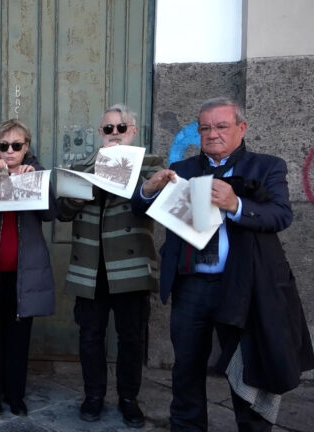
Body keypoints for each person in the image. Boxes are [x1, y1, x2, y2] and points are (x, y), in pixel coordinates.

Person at [132, 97, 314, 431]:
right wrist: (147, 188)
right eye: (205, 127)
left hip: (244, 286)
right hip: (192, 286)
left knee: (248, 368)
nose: (212, 134)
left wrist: (235, 204)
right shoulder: (183, 170)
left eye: (221, 126)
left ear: (241, 128)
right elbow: (141, 208)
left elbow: (281, 215)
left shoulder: (267, 166)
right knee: (185, 368)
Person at [56, 104, 162, 428]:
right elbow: (62, 211)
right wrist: (76, 197)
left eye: (121, 127)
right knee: (90, 336)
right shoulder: (82, 166)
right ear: (100, 134)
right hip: (91, 268)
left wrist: (141, 185)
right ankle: (94, 395)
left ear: (133, 131)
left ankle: (129, 398)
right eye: (108, 129)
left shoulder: (151, 167)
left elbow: (154, 208)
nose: (114, 134)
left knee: (131, 338)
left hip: (129, 269)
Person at [0, 119, 57, 418]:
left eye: (17, 145)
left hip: (24, 272)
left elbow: (50, 214)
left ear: (26, 147)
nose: (10, 151)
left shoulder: (36, 173)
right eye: (3, 146)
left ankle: (15, 395)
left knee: (19, 337)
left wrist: (35, 183)